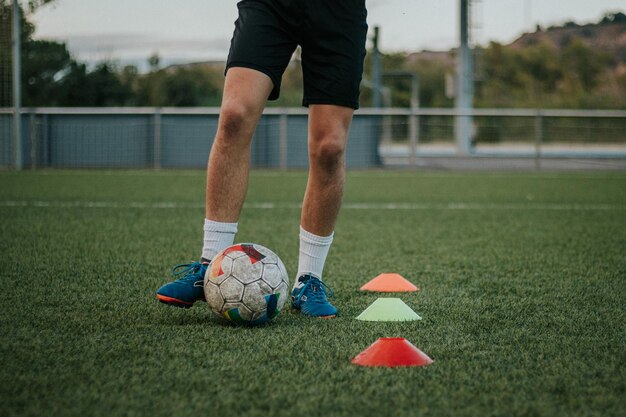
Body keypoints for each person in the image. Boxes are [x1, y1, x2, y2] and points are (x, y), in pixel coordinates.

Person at [156, 0, 368, 318]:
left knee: (329, 148)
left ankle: (309, 280)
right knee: (234, 116)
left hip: (339, 10)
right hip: (271, 5)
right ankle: (209, 265)